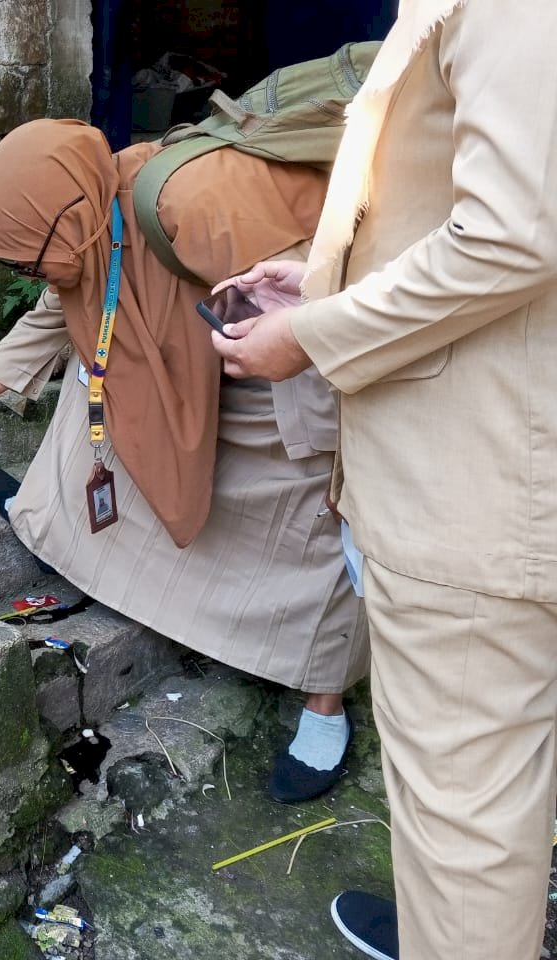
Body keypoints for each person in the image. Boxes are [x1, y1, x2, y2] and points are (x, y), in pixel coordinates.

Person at [0, 118, 369, 803]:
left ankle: (324, 697)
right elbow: (56, 313)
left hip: (287, 372)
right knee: (94, 384)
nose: (28, 277)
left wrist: (337, 440)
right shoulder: (86, 223)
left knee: (310, 509)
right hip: (191, 355)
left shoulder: (192, 202)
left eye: (27, 260)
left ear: (70, 215)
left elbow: (339, 291)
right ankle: (57, 531)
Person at [210, 2, 557, 958]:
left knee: (465, 825)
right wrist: (327, 287)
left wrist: (315, 336)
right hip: (501, 455)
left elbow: (513, 234)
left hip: (481, 484)